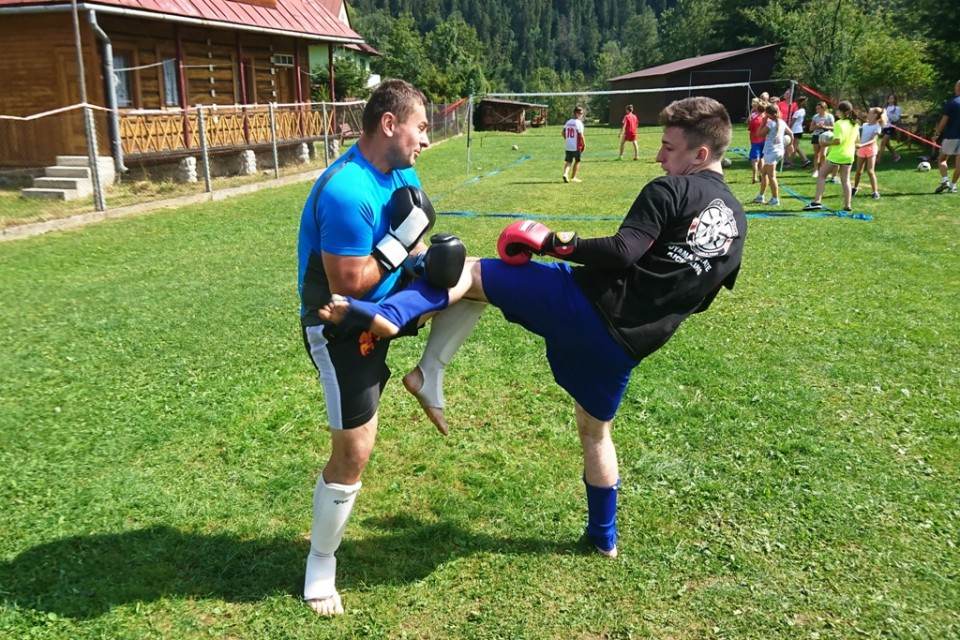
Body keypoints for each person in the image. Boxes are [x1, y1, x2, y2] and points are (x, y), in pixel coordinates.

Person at [316, 96, 747, 560]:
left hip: (583, 304)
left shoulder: (669, 191)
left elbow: (623, 250)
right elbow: (701, 300)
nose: (660, 157)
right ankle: (604, 538)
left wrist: (553, 242)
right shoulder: (738, 224)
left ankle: (394, 320)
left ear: (699, 156)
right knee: (596, 432)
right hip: (626, 347)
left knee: (474, 273)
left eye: (669, 147)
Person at [296, 79, 468, 617]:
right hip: (347, 326)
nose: (424, 139)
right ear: (389, 124)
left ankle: (428, 374)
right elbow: (349, 283)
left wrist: (422, 262)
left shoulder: (401, 172)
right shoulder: (347, 190)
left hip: (393, 305)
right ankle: (320, 561)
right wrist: (401, 248)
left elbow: (411, 239)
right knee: (355, 451)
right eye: (420, 127)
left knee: (477, 278)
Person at [804, 100, 858, 211]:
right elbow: (857, 142)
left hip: (837, 155)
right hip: (849, 156)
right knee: (846, 180)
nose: (836, 112)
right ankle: (848, 205)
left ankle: (817, 201)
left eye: (838, 110)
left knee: (822, 175)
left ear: (843, 112)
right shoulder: (855, 124)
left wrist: (825, 143)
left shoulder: (839, 124)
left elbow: (837, 141)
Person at [754, 103, 792, 206]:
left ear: (768, 114)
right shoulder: (782, 122)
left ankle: (775, 199)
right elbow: (791, 134)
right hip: (778, 151)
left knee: (771, 176)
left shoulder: (771, 124)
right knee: (764, 174)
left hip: (772, 152)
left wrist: (763, 122)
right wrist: (790, 145)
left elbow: (759, 134)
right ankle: (760, 196)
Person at [932, 79, 960, 194]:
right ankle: (953, 185)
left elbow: (943, 121)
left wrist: (937, 134)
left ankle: (945, 180)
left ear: (957, 88)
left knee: (942, 159)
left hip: (951, 137)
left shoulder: (952, 102)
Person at [852, 106, 885, 199]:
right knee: (858, 171)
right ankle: (855, 188)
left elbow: (873, 140)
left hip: (871, 150)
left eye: (870, 113)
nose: (868, 114)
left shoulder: (877, 126)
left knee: (870, 171)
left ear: (875, 115)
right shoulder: (865, 125)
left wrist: (861, 145)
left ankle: (875, 192)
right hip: (861, 150)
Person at [809, 102, 835, 179]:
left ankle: (823, 170)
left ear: (824, 108)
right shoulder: (815, 117)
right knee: (816, 154)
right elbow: (810, 128)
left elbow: (833, 127)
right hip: (816, 136)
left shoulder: (829, 116)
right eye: (816, 108)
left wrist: (824, 127)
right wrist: (816, 126)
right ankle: (816, 170)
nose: (817, 110)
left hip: (826, 137)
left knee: (823, 154)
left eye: (818, 108)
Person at [562, 106, 586, 183]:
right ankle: (573, 177)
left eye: (582, 113)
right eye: (580, 113)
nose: (581, 115)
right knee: (577, 161)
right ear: (576, 113)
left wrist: (567, 139)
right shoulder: (579, 123)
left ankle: (565, 174)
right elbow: (581, 135)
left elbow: (562, 132)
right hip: (576, 146)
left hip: (568, 145)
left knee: (568, 161)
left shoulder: (568, 122)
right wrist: (584, 144)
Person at [878, 93, 903, 163]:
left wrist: (888, 114)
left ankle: (878, 160)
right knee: (886, 144)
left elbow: (896, 119)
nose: (891, 100)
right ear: (887, 99)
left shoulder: (897, 108)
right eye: (889, 98)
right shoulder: (885, 108)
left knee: (883, 142)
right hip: (884, 127)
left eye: (892, 98)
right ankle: (896, 155)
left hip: (891, 127)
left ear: (895, 100)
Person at [747, 98, 767, 184]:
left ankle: (754, 177)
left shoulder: (754, 118)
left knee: (755, 160)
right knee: (762, 158)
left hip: (755, 141)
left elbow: (750, 128)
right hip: (764, 141)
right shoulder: (766, 118)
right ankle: (761, 175)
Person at [787, 96, 810, 167]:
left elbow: (792, 122)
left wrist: (787, 129)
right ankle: (805, 160)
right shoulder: (803, 110)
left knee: (794, 147)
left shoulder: (798, 112)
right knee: (796, 147)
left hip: (795, 131)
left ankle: (790, 163)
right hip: (798, 130)